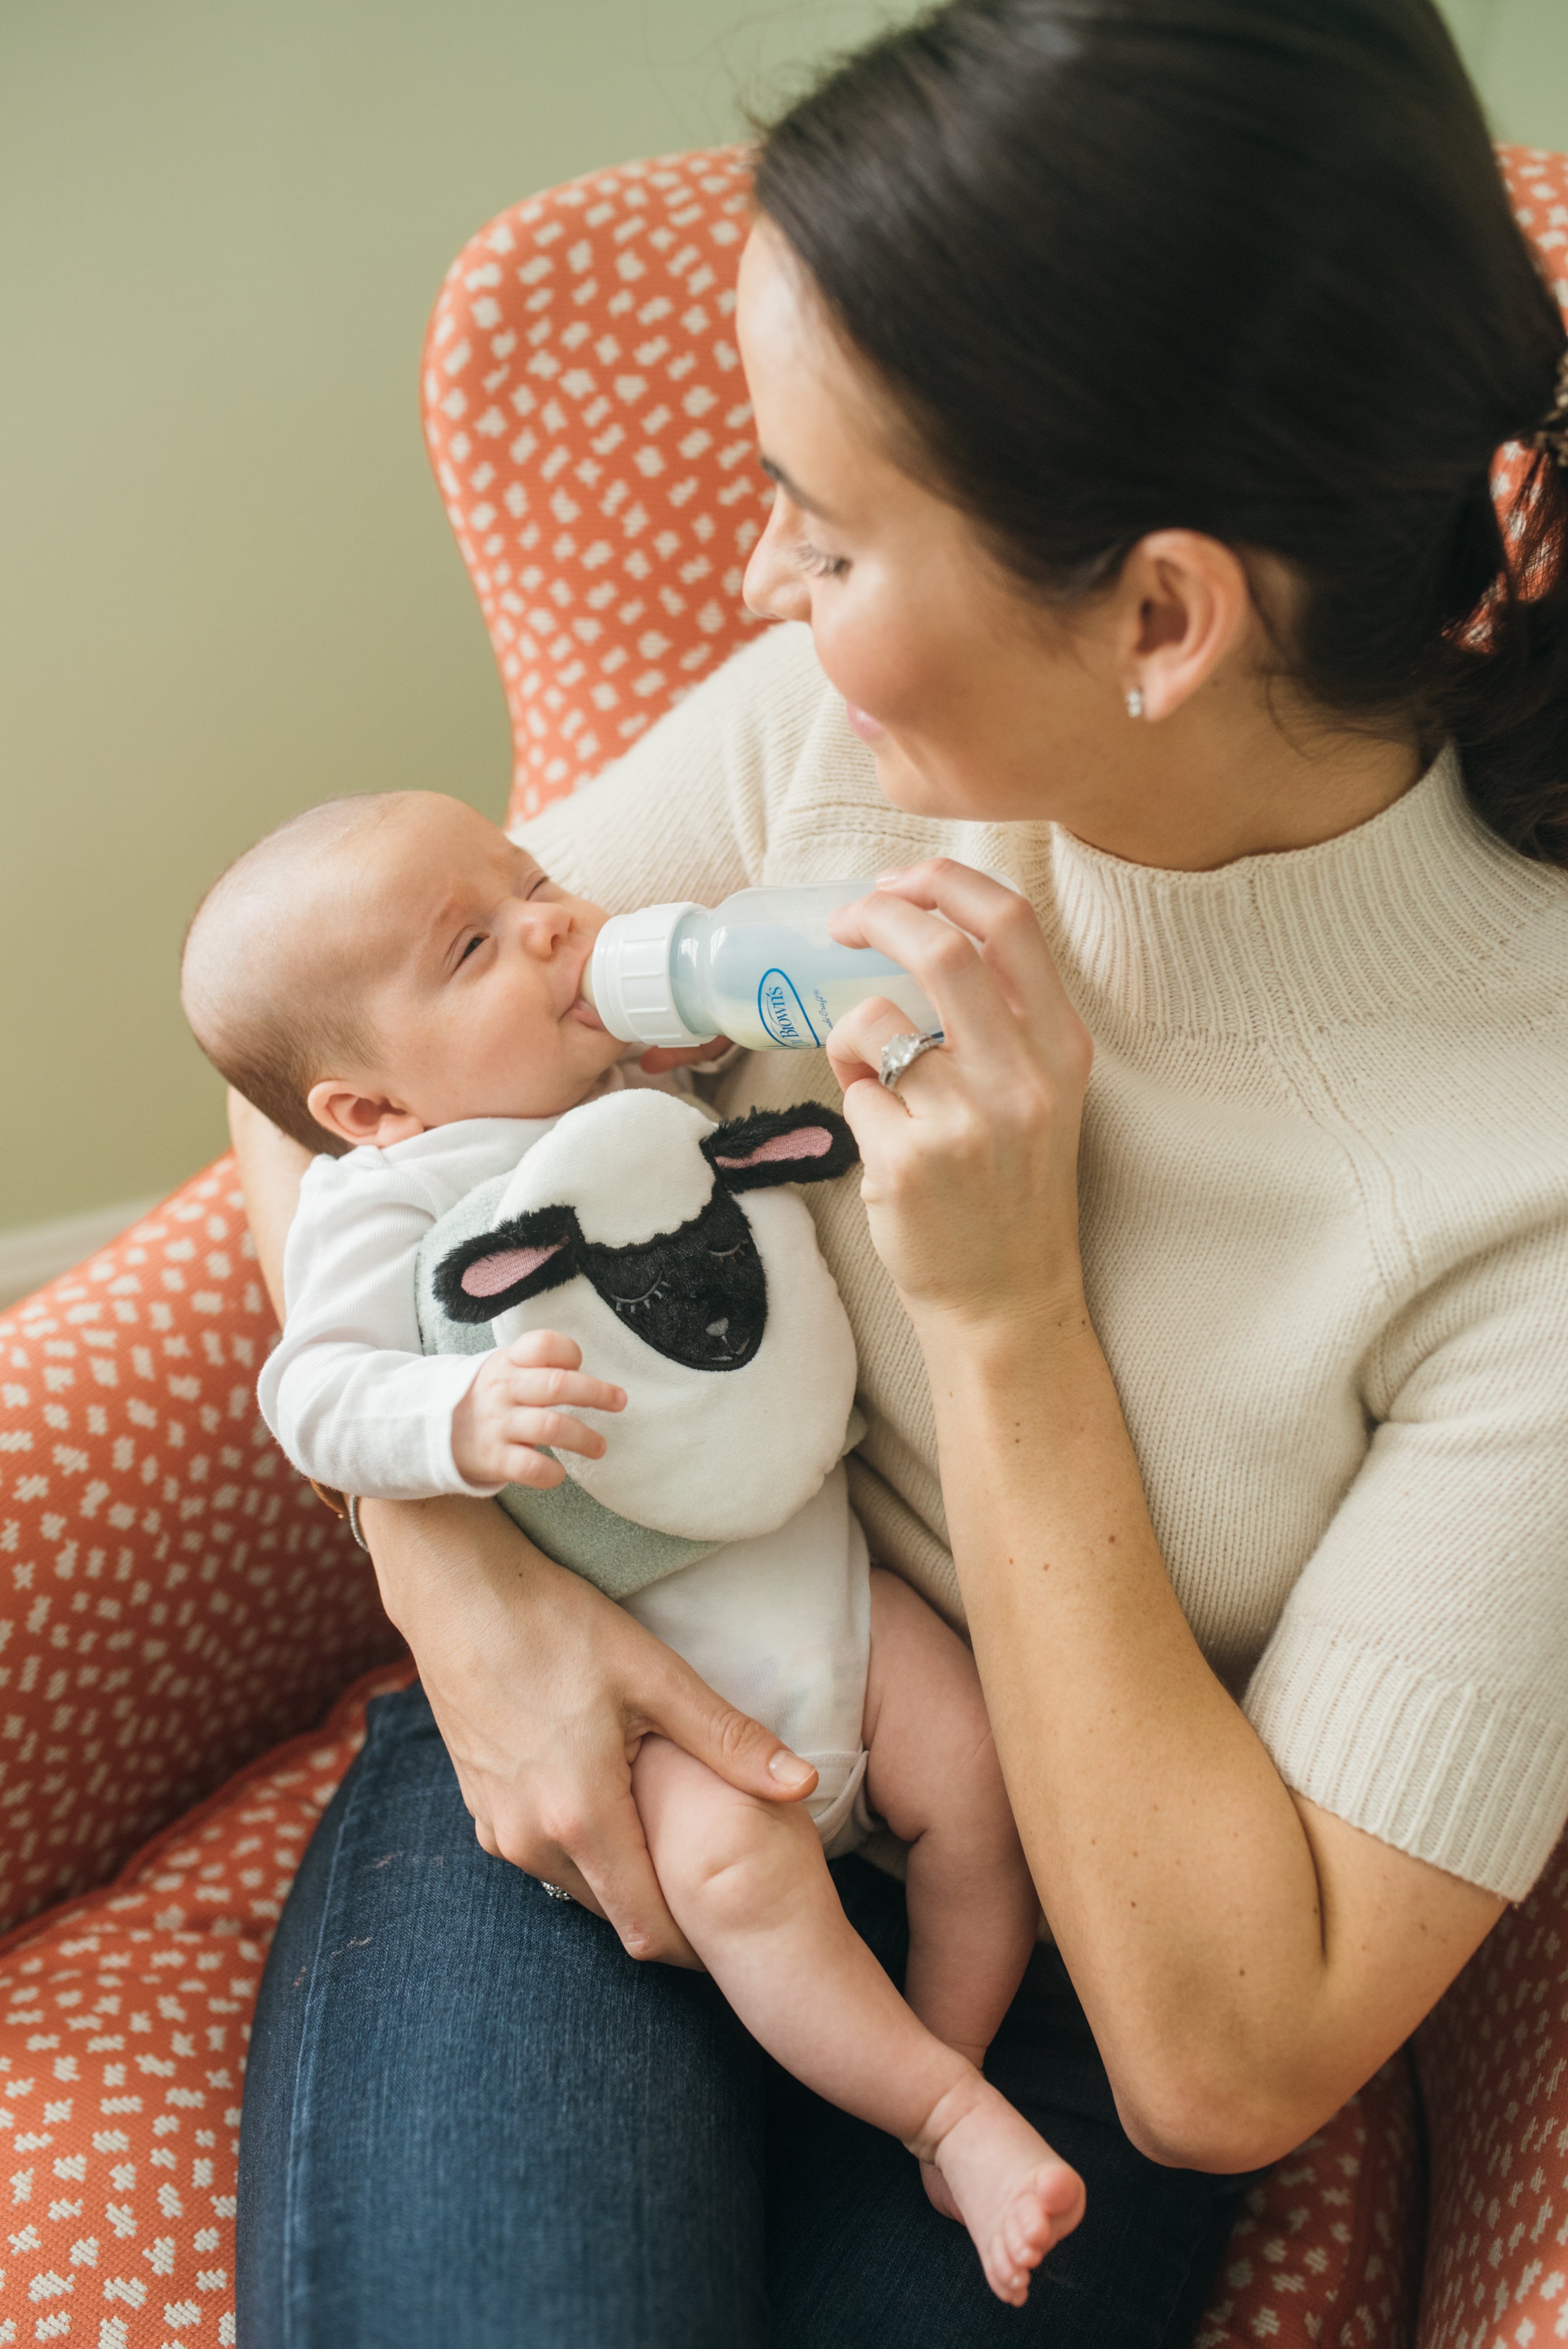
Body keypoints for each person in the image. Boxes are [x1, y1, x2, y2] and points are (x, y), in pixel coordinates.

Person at [233, 1, 1568, 2343]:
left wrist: (1002, 1314)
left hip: (1080, 1913)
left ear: (1157, 615)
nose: (755, 587)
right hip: (617, 1685)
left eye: (826, 534)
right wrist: (481, 1596)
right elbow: (313, 1085)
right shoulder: (825, 752)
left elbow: (1226, 2049)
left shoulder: (1526, 1176)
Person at [182, 790, 1081, 2303]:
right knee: (734, 1878)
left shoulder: (636, 1063)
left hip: (838, 1596)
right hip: (658, 1678)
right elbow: (313, 1392)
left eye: (532, 883)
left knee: (977, 1779)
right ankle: (942, 2110)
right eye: (475, 945)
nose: (552, 921)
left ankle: (949, 2045)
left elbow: (745, 1071)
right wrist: (451, 1419)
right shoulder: (384, 1198)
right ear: (371, 1107)